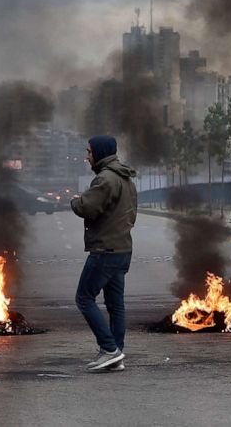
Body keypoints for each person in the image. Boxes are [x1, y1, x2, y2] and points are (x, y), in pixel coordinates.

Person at [70, 135, 137, 372]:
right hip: (122, 249)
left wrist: (75, 201)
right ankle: (116, 353)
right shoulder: (125, 177)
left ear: (99, 152)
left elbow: (87, 207)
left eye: (89, 152)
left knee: (84, 298)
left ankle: (109, 348)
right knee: (115, 304)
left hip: (105, 251)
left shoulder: (106, 179)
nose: (87, 156)